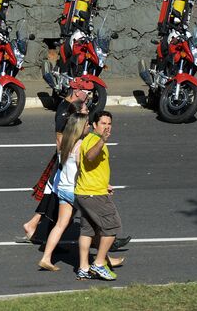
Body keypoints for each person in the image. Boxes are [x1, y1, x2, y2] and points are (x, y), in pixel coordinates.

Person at [37, 113, 89, 271]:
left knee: (60, 225)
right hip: (75, 190)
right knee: (94, 225)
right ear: (80, 127)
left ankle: (46, 258)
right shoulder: (80, 145)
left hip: (63, 189)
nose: (90, 126)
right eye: (87, 124)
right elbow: (83, 171)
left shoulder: (66, 143)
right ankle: (102, 259)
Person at [75, 111, 123, 281]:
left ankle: (83, 268)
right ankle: (99, 263)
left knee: (87, 230)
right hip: (93, 194)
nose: (107, 127)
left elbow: (87, 166)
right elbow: (89, 157)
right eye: (103, 123)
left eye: (109, 124)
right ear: (94, 125)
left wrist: (104, 185)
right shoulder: (94, 140)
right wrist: (102, 140)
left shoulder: (90, 140)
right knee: (112, 227)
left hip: (86, 191)